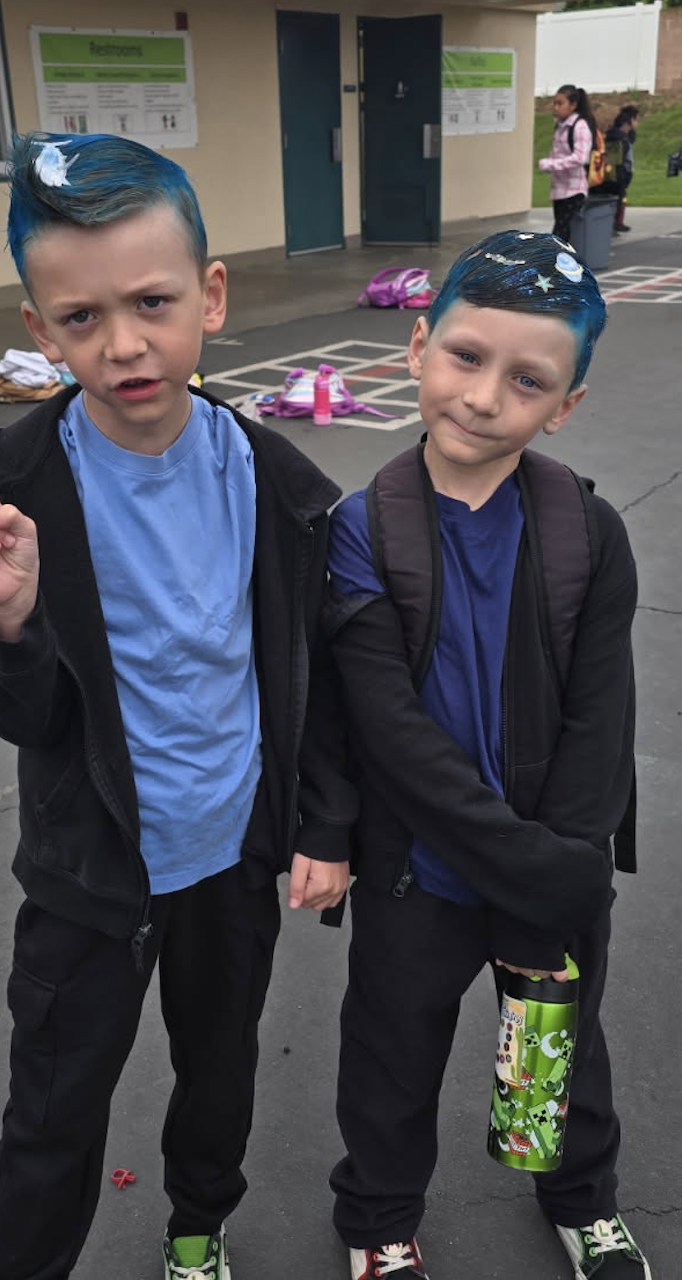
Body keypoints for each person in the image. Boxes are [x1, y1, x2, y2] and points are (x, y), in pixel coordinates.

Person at [0, 131, 353, 1280]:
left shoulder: (280, 486)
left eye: (153, 301)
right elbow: (27, 719)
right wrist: (13, 617)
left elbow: (316, 681)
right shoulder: (15, 491)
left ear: (209, 296)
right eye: (81, 317)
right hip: (89, 871)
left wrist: (322, 824)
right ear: (40, 329)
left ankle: (197, 1229)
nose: (122, 343)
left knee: (219, 1069)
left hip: (230, 856)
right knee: (50, 1105)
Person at [326, 230, 650, 1280]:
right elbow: (389, 730)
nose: (482, 396)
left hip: (555, 865)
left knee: (564, 1048)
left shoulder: (589, 533)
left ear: (564, 405)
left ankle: (582, 1199)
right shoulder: (361, 530)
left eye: (527, 380)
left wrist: (563, 870)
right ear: (418, 344)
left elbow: (601, 721)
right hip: (417, 874)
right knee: (392, 1054)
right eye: (466, 356)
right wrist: (526, 864)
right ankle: (379, 1219)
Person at [538, 84, 597, 244]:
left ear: (573, 105)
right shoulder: (560, 126)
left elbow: (581, 157)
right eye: (554, 103)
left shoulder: (580, 126)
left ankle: (555, 259)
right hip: (559, 190)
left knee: (560, 236)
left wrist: (551, 164)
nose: (556, 108)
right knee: (562, 235)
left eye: (560, 103)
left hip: (573, 190)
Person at [603, 105, 640, 234]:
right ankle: (616, 224)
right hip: (620, 174)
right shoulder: (623, 140)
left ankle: (612, 223)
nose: (637, 123)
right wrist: (627, 175)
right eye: (636, 119)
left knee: (610, 198)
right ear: (630, 121)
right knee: (619, 198)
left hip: (608, 173)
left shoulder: (609, 136)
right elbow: (627, 161)